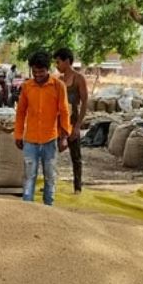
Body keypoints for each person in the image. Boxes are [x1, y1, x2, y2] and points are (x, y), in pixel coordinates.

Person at [14, 51, 71, 206]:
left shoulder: (58, 86)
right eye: (35, 72)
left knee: (50, 176)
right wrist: (18, 135)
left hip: (50, 140)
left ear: (48, 69)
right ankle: (27, 208)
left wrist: (65, 136)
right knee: (29, 176)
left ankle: (49, 209)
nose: (38, 75)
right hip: (30, 141)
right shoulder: (27, 87)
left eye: (41, 71)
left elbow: (65, 112)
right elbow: (20, 113)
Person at [54, 48, 89, 194]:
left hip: (73, 122)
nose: (56, 65)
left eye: (58, 62)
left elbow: (85, 103)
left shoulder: (79, 79)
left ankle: (77, 187)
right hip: (59, 123)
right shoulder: (58, 80)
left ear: (67, 61)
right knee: (52, 155)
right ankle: (51, 184)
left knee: (76, 156)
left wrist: (78, 126)